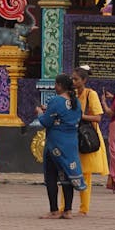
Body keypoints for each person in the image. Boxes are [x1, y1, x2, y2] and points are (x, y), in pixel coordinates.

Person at [36, 73, 86, 218]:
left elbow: (46, 122)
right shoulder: (75, 102)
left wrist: (40, 113)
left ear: (59, 85)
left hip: (55, 143)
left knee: (51, 176)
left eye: (56, 84)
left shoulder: (56, 101)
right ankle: (68, 210)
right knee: (67, 176)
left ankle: (54, 210)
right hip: (70, 143)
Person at [72, 65, 108, 214]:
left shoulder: (90, 94)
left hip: (86, 135)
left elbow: (98, 117)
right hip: (73, 134)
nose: (73, 82)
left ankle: (84, 208)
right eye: (72, 79)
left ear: (84, 80)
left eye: (76, 79)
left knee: (85, 173)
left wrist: (80, 117)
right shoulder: (72, 94)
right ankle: (64, 206)